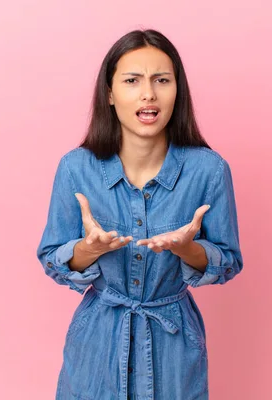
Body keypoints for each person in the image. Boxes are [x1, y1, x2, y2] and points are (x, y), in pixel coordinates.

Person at [37, 28, 243, 400]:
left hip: (174, 349)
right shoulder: (75, 169)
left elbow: (227, 260)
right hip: (97, 343)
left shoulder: (209, 171)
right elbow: (53, 259)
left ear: (177, 91)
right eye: (132, 81)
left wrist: (187, 248)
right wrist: (90, 249)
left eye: (161, 80)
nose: (148, 93)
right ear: (111, 94)